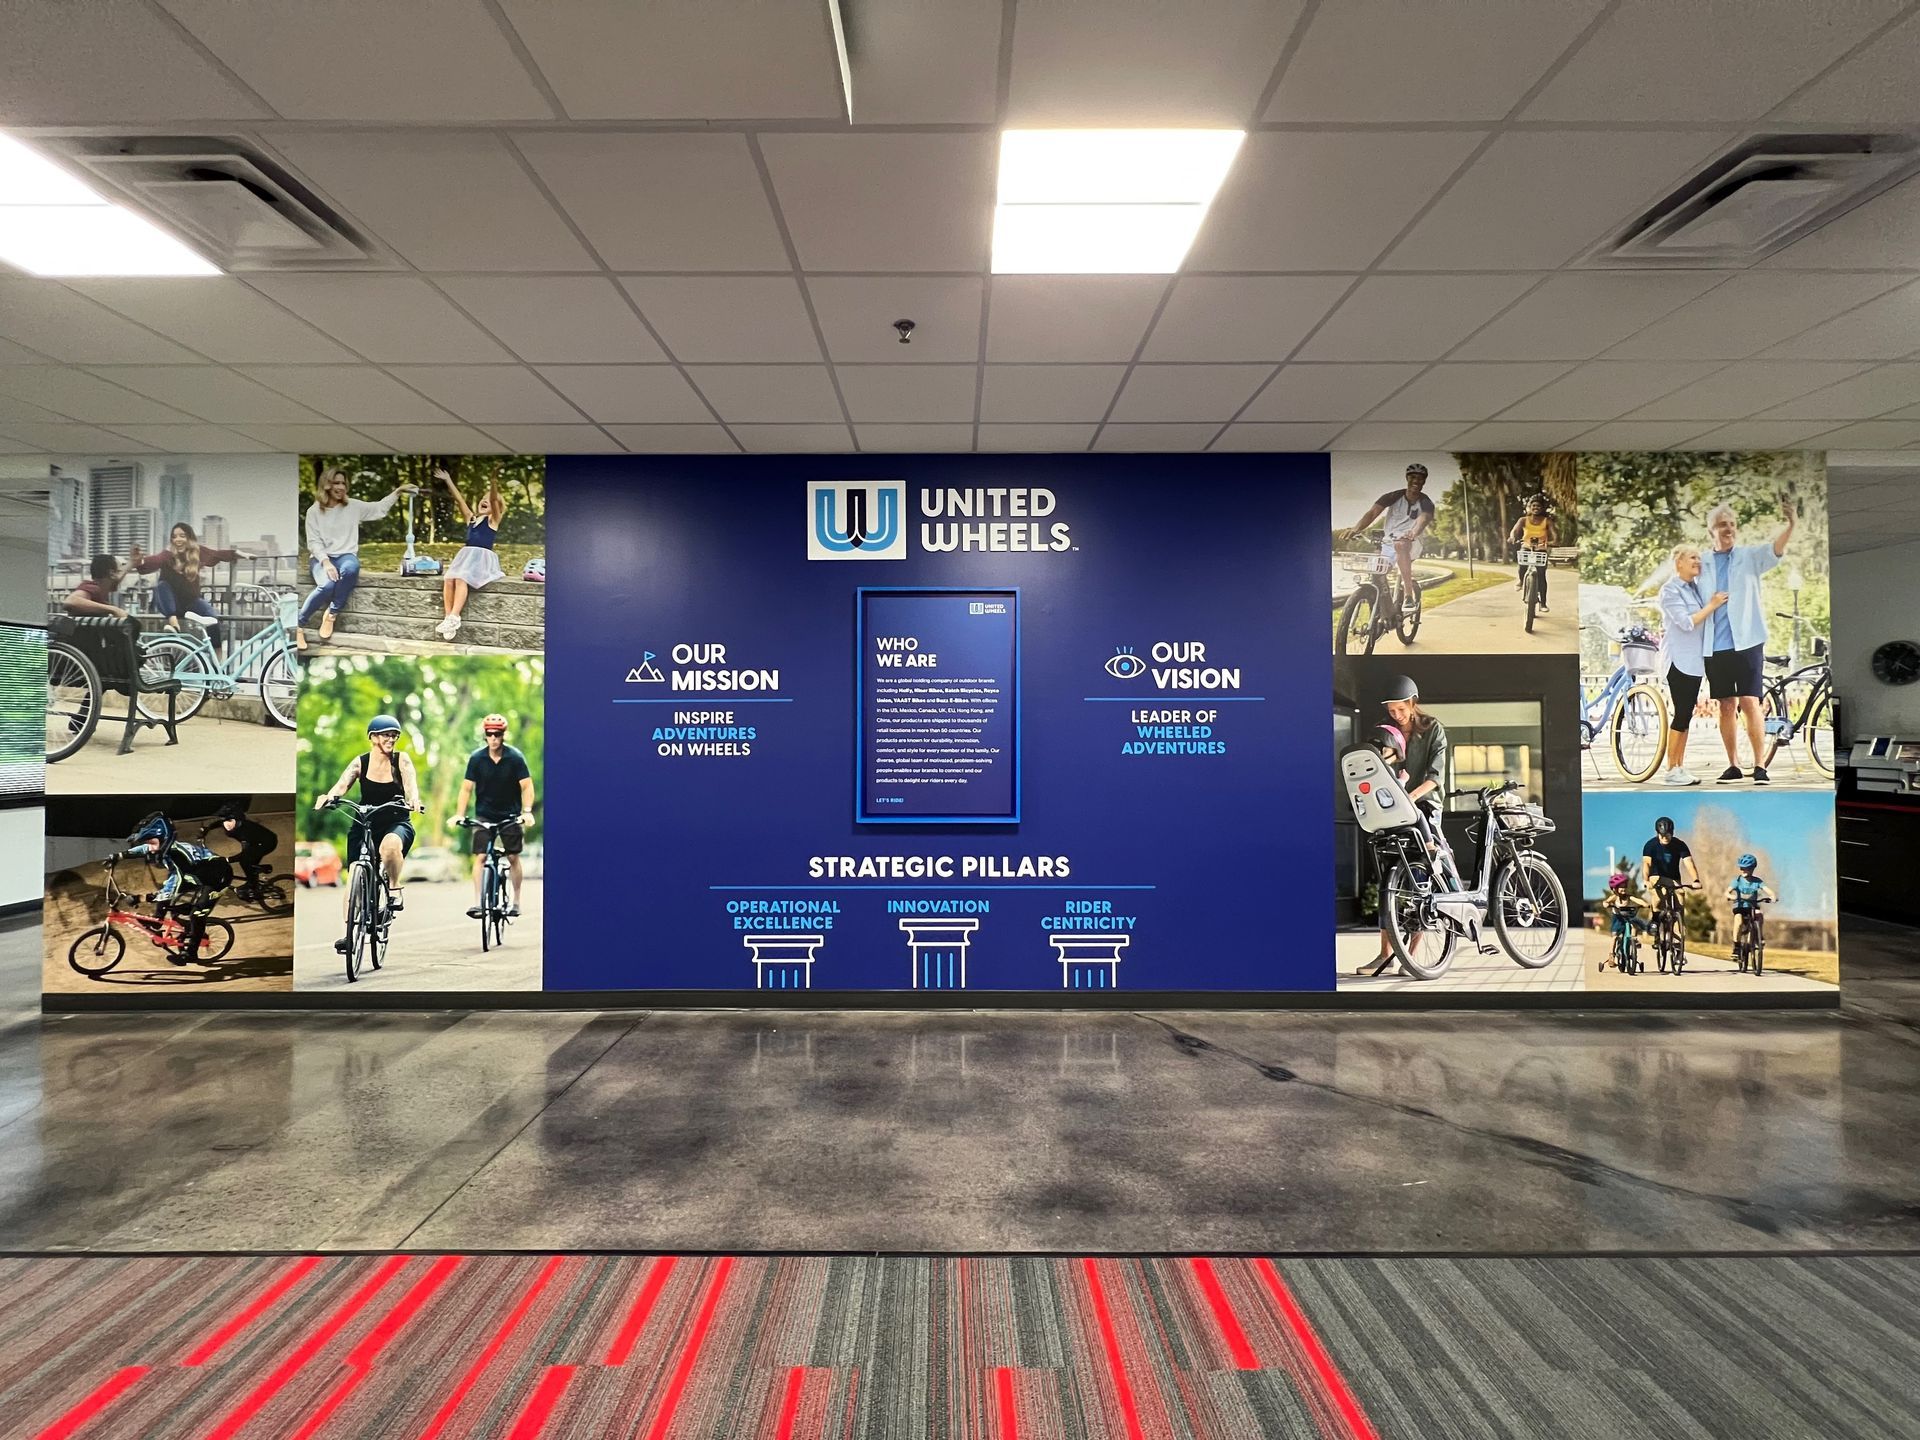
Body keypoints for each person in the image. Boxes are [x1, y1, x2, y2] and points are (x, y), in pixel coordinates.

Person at [1701, 499, 1797, 785]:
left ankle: (1760, 766)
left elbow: (1775, 549)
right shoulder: (1702, 562)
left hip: (1748, 640)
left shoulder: (1750, 556)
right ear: (1711, 532)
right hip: (1714, 645)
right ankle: (1733, 765)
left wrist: (1791, 524)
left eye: (1731, 524)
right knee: (1726, 705)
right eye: (1722, 525)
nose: (1728, 529)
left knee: (1750, 701)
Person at [1360, 675, 1450, 977]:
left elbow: (1436, 776)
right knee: (1388, 878)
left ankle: (1411, 956)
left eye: (1401, 709)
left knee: (1420, 878)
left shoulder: (1433, 729)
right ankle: (1384, 955)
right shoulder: (1386, 731)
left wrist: (1409, 797)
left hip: (1424, 805)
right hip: (1393, 807)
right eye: (1392, 710)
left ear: (1413, 703)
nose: (1396, 715)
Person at [314, 713, 423, 953]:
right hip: (365, 822)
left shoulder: (401, 760)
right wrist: (329, 796)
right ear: (373, 737)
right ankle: (349, 934)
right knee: (354, 874)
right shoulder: (360, 762)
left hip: (396, 822)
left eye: (394, 735)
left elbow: (411, 784)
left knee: (390, 847)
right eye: (386, 734)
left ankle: (394, 888)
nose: (391, 738)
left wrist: (414, 799)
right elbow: (342, 784)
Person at [299, 467, 415, 653]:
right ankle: (299, 624)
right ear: (326, 485)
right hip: (322, 559)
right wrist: (326, 562)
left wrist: (398, 491)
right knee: (327, 585)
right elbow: (313, 542)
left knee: (351, 569)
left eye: (343, 483)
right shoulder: (314, 512)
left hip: (346, 556)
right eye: (336, 483)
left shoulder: (352, 506)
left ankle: (332, 614)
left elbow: (379, 509)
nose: (341, 487)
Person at [1655, 543, 1730, 787]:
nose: (1697, 562)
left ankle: (1678, 766)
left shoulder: (1695, 589)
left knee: (1685, 715)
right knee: (1682, 713)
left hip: (1694, 661)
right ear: (1679, 563)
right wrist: (1713, 605)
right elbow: (1687, 623)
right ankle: (1671, 769)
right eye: (1692, 558)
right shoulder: (1670, 591)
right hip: (1679, 660)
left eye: (1699, 558)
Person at [126, 810, 231, 964]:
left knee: (197, 914)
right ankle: (158, 921)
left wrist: (140, 898)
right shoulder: (168, 849)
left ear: (164, 840)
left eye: (152, 844)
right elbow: (144, 849)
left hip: (217, 879)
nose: (150, 848)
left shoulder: (181, 859)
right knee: (171, 901)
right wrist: (119, 856)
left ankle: (191, 953)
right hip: (198, 875)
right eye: (148, 843)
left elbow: (169, 891)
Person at [458, 712, 535, 920]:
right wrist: (459, 814)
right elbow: (466, 789)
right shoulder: (476, 759)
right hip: (484, 814)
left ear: (503, 735)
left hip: (510, 815)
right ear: (485, 735)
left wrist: (526, 813)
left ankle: (516, 901)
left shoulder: (515, 758)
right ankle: (478, 903)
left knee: (512, 856)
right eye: (489, 734)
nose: (493, 738)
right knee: (481, 856)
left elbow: (527, 786)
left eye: (497, 734)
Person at [1340, 462, 1435, 616]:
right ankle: (1386, 613)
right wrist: (1356, 528)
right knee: (1377, 572)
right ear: (1407, 478)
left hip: (1412, 541)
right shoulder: (1393, 496)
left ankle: (1408, 595)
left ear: (1424, 481)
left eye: (1420, 478)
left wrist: (1414, 532)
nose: (1416, 481)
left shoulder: (1426, 502)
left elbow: (1424, 518)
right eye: (1412, 477)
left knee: (1401, 544)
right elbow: (1372, 513)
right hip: (1389, 542)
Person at [131, 522, 238, 646]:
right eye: (175, 536)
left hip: (191, 602)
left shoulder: (197, 552)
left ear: (189, 538)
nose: (178, 539)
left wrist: (240, 554)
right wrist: (140, 561)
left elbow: (218, 554)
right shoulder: (167, 555)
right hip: (171, 604)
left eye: (182, 536)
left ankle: (216, 659)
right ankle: (174, 625)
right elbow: (154, 560)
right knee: (162, 586)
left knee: (213, 618)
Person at [435, 465, 506, 641]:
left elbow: (495, 503)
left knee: (461, 578)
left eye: (489, 500)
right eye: (483, 499)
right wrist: (448, 480)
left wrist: (494, 482)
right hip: (466, 556)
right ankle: (448, 617)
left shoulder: (493, 521)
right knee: (449, 579)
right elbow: (459, 500)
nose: (485, 501)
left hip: (481, 559)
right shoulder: (472, 518)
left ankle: (455, 616)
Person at [203, 801, 279, 900]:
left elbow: (244, 854)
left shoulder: (245, 833)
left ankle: (253, 883)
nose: (226, 824)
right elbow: (219, 822)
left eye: (229, 820)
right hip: (256, 841)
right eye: (226, 820)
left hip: (267, 843)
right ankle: (254, 880)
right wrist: (207, 829)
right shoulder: (231, 822)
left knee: (245, 860)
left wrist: (228, 859)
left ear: (237, 821)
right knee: (248, 862)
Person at [1640, 815, 1699, 920]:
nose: (1665, 838)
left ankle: (1679, 931)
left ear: (1672, 833)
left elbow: (1689, 863)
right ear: (1657, 833)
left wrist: (1696, 879)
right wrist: (1645, 880)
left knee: (1680, 898)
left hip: (1673, 877)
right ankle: (1655, 922)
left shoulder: (1680, 845)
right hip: (1655, 876)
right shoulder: (1650, 845)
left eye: (1667, 835)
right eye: (1662, 835)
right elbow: (1647, 864)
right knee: (1658, 898)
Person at [1506, 493, 1556, 612]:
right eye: (1533, 506)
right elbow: (1514, 531)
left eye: (1538, 506)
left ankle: (1543, 603)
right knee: (1522, 564)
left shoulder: (1547, 521)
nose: (1536, 508)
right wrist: (1512, 537)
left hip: (1541, 548)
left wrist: (1553, 542)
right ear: (1529, 507)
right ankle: (1521, 580)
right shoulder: (1523, 520)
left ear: (1542, 508)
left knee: (1541, 574)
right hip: (1527, 546)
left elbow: (1555, 535)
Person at [1599, 873, 1653, 968]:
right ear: (1615, 889)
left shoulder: (1628, 896)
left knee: (1634, 925)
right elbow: (1606, 902)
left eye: (1624, 886)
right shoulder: (1614, 897)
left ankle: (1633, 939)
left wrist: (1645, 904)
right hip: (1618, 919)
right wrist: (1606, 904)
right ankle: (1612, 955)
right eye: (1620, 887)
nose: (1623, 889)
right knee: (1615, 937)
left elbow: (1637, 900)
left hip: (1627, 917)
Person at [63, 554, 130, 619]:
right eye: (119, 571)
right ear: (112, 573)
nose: (121, 575)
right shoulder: (92, 587)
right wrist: (114, 610)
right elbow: (71, 601)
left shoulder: (102, 589)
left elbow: (115, 580)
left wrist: (133, 562)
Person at [1727, 853, 1776, 938]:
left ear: (1752, 868)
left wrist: (1773, 896)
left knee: (1759, 915)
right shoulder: (1737, 881)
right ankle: (1737, 945)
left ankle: (1759, 937)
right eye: (1741, 868)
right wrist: (1731, 896)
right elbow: (1727, 892)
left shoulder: (1757, 881)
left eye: (1746, 868)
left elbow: (1768, 891)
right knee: (1738, 921)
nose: (1743, 870)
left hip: (1752, 906)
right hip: (1740, 906)